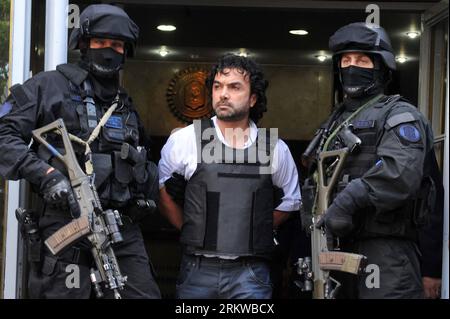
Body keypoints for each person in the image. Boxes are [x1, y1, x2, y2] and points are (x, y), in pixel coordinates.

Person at [0, 4, 161, 299]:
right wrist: (46, 175)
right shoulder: (47, 87)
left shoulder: (124, 105)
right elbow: (3, 135)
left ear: (126, 51)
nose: (109, 50)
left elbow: (142, 162)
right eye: (100, 42)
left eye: (117, 45)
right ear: (84, 44)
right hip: (66, 225)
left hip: (118, 228)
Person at [307, 22, 439, 299]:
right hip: (335, 249)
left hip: (387, 251)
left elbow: (399, 172)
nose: (352, 66)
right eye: (346, 60)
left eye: (362, 60)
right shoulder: (335, 122)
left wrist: (349, 200)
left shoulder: (400, 115)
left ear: (381, 66)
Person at [158, 54, 301, 299]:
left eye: (234, 87)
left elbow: (291, 201)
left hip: (250, 272)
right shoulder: (185, 139)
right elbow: (162, 193)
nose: (223, 94)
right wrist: (192, 229)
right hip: (197, 269)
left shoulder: (274, 147)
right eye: (217, 86)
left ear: (253, 98)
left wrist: (251, 230)